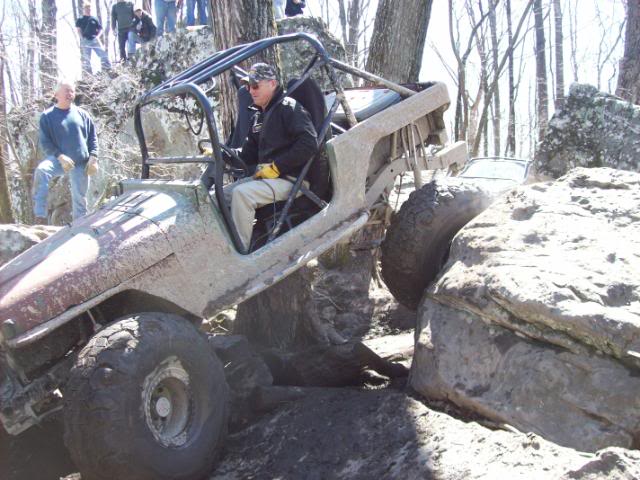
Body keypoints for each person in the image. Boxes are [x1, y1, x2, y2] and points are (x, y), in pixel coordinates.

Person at [225, 63, 318, 252]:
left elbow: (309, 143)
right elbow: (247, 155)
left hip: (291, 179)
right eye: (247, 86)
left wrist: (277, 167)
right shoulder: (259, 117)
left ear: (273, 83)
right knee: (218, 196)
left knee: (241, 195)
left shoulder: (289, 108)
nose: (250, 90)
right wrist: (223, 154)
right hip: (267, 179)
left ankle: (240, 254)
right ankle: (221, 247)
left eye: (255, 85)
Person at [33, 81, 98, 224]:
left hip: (82, 161)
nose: (70, 94)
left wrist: (94, 157)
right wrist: (60, 157)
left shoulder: (83, 114)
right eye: (66, 91)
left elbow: (93, 137)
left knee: (80, 200)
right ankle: (40, 216)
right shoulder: (47, 116)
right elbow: (45, 143)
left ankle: (80, 227)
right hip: (58, 159)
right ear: (56, 95)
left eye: (72, 91)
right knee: (42, 171)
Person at [75, 1, 111, 75]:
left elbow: (100, 29)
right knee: (87, 59)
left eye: (89, 8)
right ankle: (88, 75)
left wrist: (98, 36)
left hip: (94, 39)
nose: (88, 10)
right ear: (84, 9)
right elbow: (78, 30)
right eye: (86, 8)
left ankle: (107, 69)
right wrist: (82, 39)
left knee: (103, 54)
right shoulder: (80, 19)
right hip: (85, 40)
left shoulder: (94, 18)